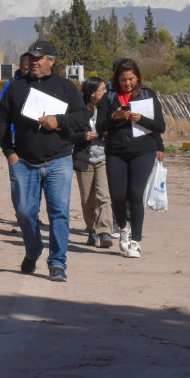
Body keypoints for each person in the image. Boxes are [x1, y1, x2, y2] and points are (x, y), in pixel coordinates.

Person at [0, 40, 88, 281]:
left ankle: (57, 262)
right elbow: (1, 119)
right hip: (24, 161)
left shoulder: (66, 87)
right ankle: (34, 248)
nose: (34, 62)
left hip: (58, 160)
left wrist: (59, 120)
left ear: (51, 61)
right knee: (25, 212)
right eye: (31, 58)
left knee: (59, 212)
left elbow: (82, 117)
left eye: (39, 58)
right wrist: (9, 152)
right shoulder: (16, 87)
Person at [96, 58, 166, 259]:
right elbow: (99, 128)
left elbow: (160, 126)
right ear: (117, 79)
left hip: (143, 150)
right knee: (117, 196)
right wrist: (114, 118)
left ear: (138, 78)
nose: (128, 83)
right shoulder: (108, 98)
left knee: (136, 194)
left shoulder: (148, 95)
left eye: (132, 79)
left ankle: (136, 241)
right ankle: (123, 227)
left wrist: (141, 119)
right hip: (116, 151)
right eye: (124, 79)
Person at [74, 77, 113, 249]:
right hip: (84, 159)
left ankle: (104, 231)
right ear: (92, 93)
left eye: (106, 89)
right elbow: (68, 134)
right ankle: (91, 229)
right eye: (102, 89)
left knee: (103, 196)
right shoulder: (79, 111)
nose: (105, 92)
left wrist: (106, 133)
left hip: (104, 158)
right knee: (87, 199)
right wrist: (82, 136)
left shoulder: (108, 108)